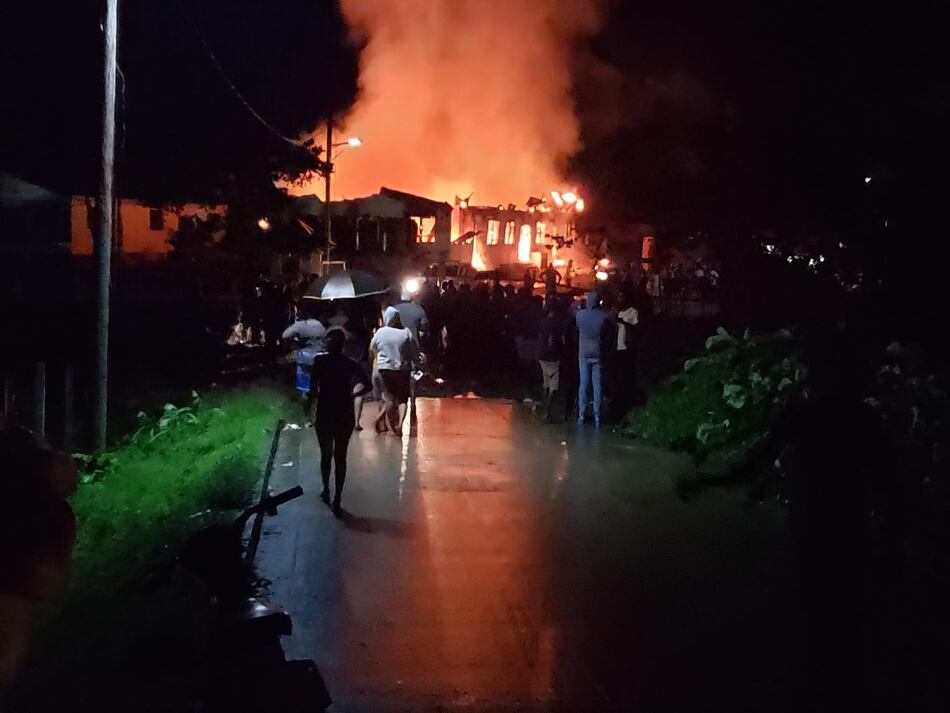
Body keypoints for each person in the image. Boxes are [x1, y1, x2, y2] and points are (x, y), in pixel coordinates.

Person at [308, 329, 370, 516]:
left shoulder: (319, 362)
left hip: (325, 411)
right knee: (340, 456)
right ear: (343, 345)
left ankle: (326, 489)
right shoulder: (349, 363)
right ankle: (338, 498)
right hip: (344, 412)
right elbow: (368, 385)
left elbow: (312, 390)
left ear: (328, 344)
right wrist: (353, 395)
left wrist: (312, 403)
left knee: (326, 454)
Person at [370, 307, 417, 435]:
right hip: (403, 369)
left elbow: (372, 348)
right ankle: (400, 424)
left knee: (389, 398)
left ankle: (390, 426)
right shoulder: (406, 332)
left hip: (384, 368)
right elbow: (413, 351)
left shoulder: (380, 332)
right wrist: (415, 364)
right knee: (402, 399)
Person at [283, 303, 328, 425]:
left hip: (305, 359)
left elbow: (285, 335)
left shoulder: (301, 325)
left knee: (306, 391)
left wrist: (297, 338)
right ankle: (319, 415)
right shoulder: (320, 325)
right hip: (321, 358)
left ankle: (308, 418)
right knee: (320, 388)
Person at [395, 289, 430, 430]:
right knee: (413, 375)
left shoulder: (394, 310)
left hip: (397, 346)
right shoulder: (418, 310)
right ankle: (413, 402)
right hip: (413, 345)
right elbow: (424, 328)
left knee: (398, 373)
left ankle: (398, 402)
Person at [575, 291, 607, 426]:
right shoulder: (602, 316)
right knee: (597, 384)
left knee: (583, 383)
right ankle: (597, 414)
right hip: (596, 351)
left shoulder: (580, 315)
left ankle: (582, 413)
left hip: (583, 351)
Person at [538, 298, 566, 421]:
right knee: (554, 386)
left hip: (543, 355)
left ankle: (544, 409)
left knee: (546, 383)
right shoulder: (559, 323)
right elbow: (560, 340)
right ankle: (549, 412)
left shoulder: (543, 321)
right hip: (553, 356)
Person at [612, 292, 640, 418]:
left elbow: (636, 328)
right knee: (618, 377)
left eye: (622, 297)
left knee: (627, 377)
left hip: (627, 349)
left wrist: (623, 322)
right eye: (618, 297)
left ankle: (628, 403)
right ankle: (619, 402)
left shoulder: (632, 312)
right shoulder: (617, 312)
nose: (620, 299)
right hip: (617, 348)